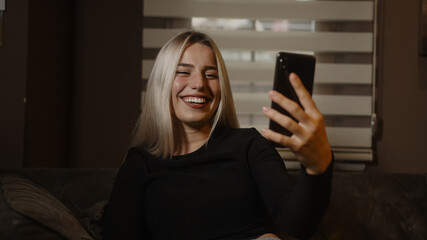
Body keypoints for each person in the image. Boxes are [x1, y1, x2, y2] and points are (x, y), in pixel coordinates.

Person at [102, 31, 333, 240]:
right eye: (183, 72)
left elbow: (297, 224)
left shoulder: (249, 146)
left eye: (211, 75)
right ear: (162, 83)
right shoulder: (139, 165)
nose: (199, 83)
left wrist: (317, 168)